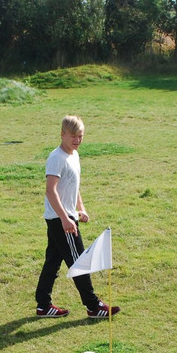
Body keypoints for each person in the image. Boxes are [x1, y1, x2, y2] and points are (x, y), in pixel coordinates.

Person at [34, 115, 120, 320]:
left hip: (66, 216)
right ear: (62, 134)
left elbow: (73, 185)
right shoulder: (57, 158)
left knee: (53, 262)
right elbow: (50, 191)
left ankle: (43, 305)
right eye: (73, 136)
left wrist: (80, 208)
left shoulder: (74, 155)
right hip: (60, 219)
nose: (77, 140)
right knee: (79, 261)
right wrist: (65, 218)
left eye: (80, 136)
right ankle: (93, 306)